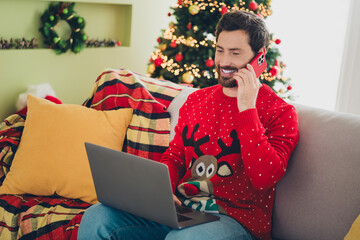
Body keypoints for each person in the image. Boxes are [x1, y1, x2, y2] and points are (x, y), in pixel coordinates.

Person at [78, 10, 299, 240]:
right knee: (96, 217)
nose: (224, 62)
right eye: (220, 50)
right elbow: (175, 156)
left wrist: (246, 108)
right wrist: (163, 193)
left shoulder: (280, 112)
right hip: (181, 210)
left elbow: (263, 178)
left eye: (235, 53)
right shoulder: (196, 100)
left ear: (259, 57)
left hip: (235, 221)